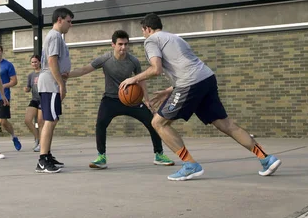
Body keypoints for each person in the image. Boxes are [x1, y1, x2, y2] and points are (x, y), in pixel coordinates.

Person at [119, 13, 282, 181]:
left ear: (147, 28)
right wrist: (170, 90)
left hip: (189, 83)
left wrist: (134, 78)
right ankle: (267, 159)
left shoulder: (151, 40)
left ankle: (190, 165)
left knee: (158, 123)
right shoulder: (176, 38)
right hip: (206, 79)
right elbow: (187, 66)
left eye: (143, 31)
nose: (143, 34)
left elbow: (156, 69)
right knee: (226, 124)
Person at [67, 30, 174, 169]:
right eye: (120, 44)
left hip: (131, 99)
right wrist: (66, 75)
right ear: (113, 44)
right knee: (100, 124)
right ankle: (101, 156)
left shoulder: (133, 61)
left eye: (126, 44)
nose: (123, 47)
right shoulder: (105, 59)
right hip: (110, 99)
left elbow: (141, 80)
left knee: (152, 122)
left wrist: (146, 100)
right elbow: (84, 70)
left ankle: (159, 154)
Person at [36, 7, 74, 173]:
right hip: (50, 83)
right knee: (49, 121)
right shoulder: (54, 36)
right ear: (59, 19)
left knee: (53, 120)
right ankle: (43, 160)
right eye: (69, 21)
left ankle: (47, 155)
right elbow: (52, 61)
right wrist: (61, 83)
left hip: (52, 82)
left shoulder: (57, 37)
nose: (70, 25)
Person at [24, 54, 44, 152]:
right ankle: (37, 138)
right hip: (34, 99)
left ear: (40, 62)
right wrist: (26, 89)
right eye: (32, 62)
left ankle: (41, 144)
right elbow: (29, 87)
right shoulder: (31, 75)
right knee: (27, 120)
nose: (34, 64)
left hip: (43, 99)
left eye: (36, 62)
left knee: (40, 122)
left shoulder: (44, 73)